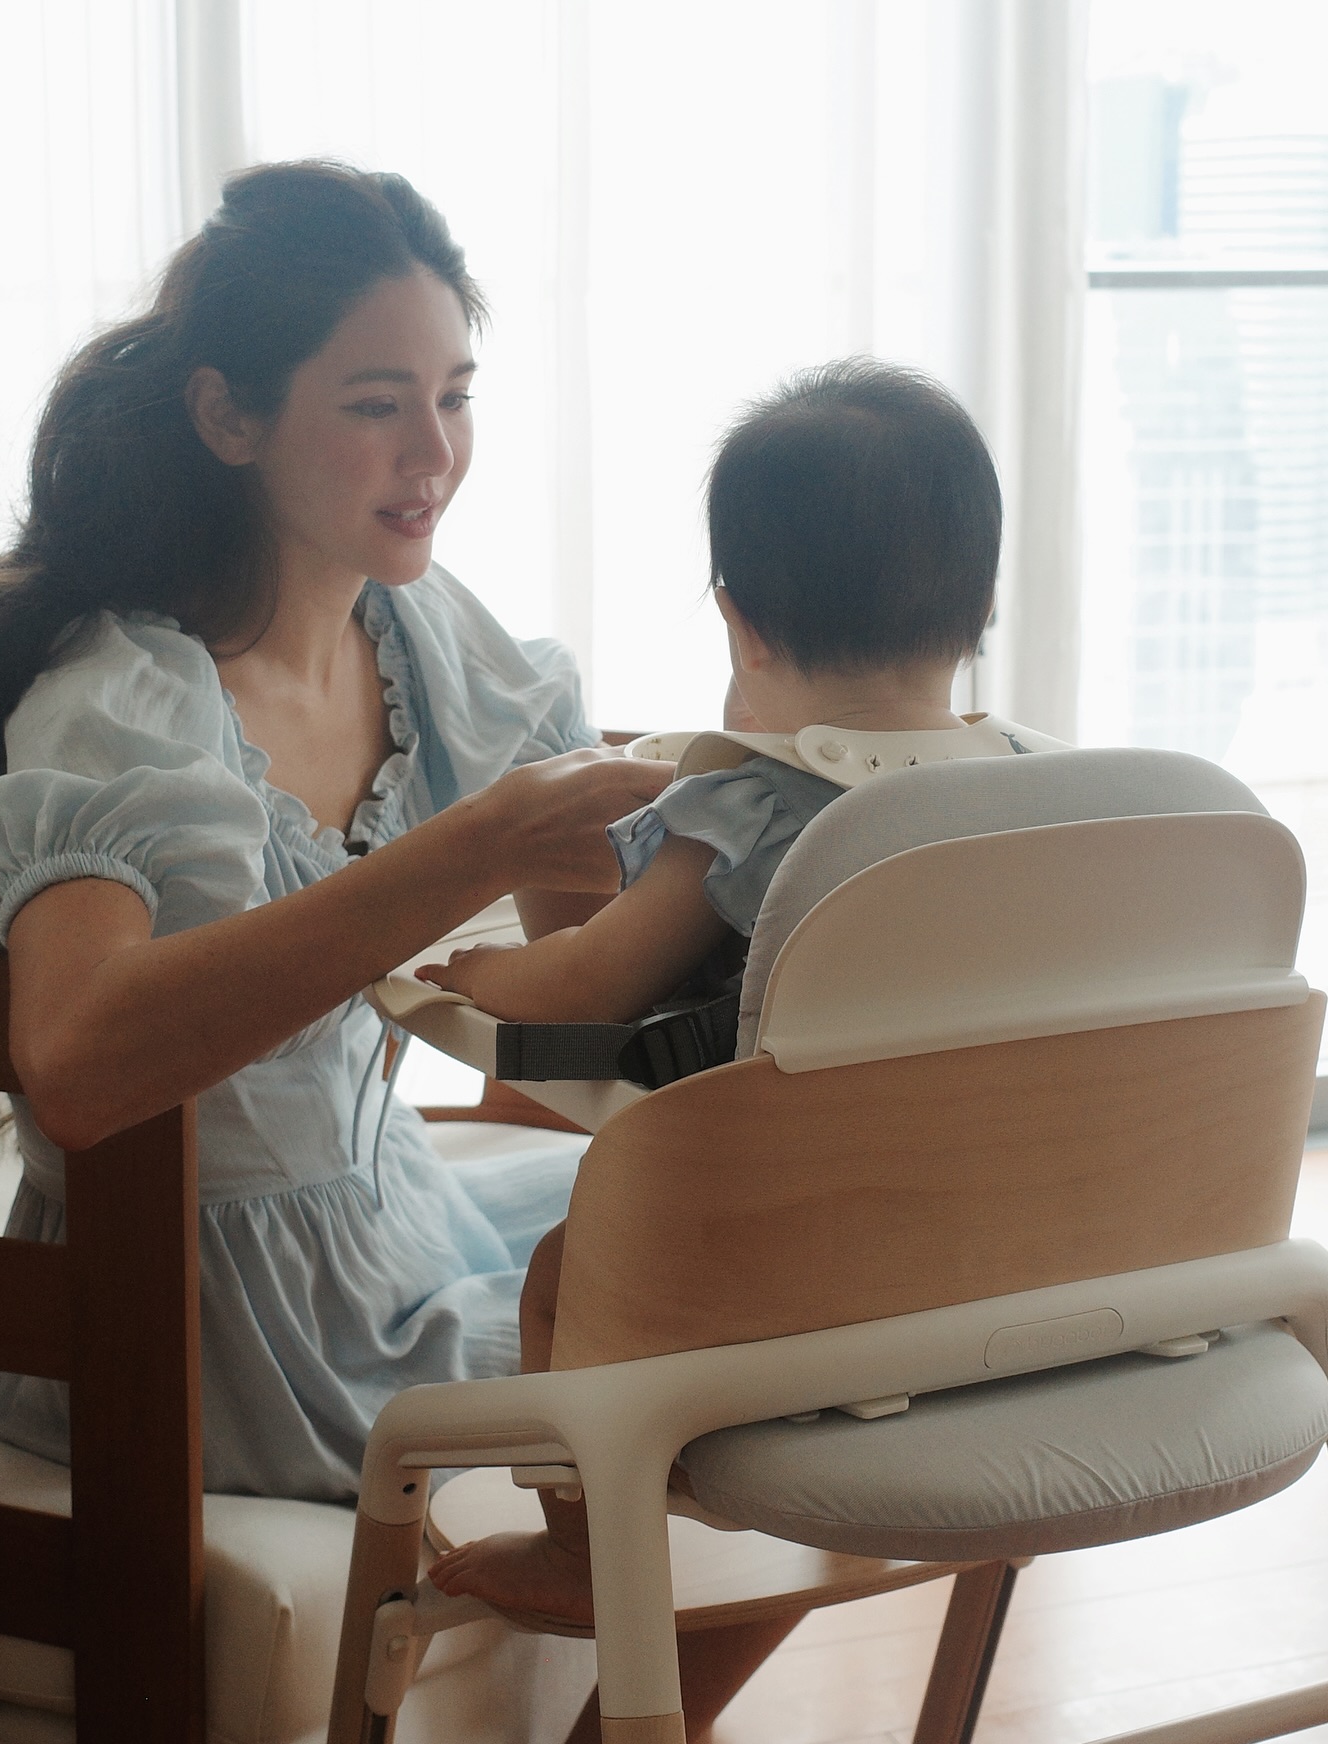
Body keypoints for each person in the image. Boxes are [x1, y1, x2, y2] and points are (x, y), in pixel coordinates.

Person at [0, 161, 784, 1744]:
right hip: (202, 1313)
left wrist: (767, 831)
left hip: (392, 1222)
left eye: (455, 396)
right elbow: (75, 1063)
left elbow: (591, 951)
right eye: (378, 405)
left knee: (819, 1270)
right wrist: (464, 851)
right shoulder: (123, 697)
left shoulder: (422, 636)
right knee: (759, 1366)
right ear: (228, 416)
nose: (432, 452)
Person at [423, 356, 1065, 1629]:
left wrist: (471, 967)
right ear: (982, 603)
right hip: (984, 1257)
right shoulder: (1030, 789)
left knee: (564, 1272)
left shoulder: (755, 804)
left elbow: (584, 990)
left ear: (741, 623)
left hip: (781, 1257)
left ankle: (582, 1554)